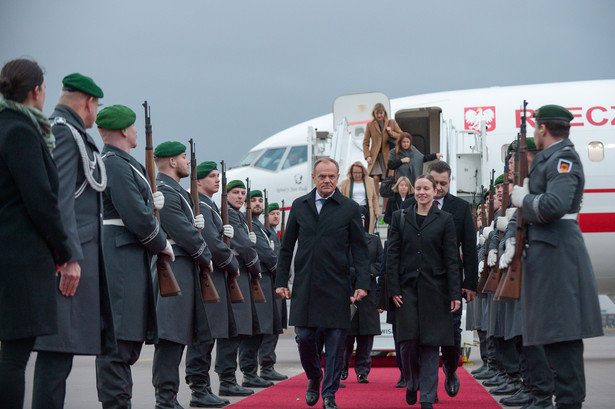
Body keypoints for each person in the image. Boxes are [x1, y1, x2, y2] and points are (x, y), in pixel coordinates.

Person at [32, 72, 116, 409]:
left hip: (76, 257)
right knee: (56, 355)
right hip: (69, 262)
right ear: (89, 102)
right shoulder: (65, 134)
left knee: (61, 356)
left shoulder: (66, 131)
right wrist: (68, 257)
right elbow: (60, 199)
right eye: (96, 107)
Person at [511, 105, 603, 409]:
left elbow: (554, 205)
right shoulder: (552, 158)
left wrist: (523, 198)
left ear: (541, 129)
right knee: (553, 341)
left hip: (557, 257)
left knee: (563, 344)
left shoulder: (562, 158)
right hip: (549, 257)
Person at [0, 58, 72, 409]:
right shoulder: (20, 130)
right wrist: (63, 249)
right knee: (14, 357)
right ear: (37, 91)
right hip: (19, 255)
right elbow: (40, 200)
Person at [95, 105, 175, 409]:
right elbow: (134, 215)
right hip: (121, 254)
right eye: (132, 127)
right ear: (123, 131)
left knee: (128, 336)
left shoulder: (124, 163)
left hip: (129, 253)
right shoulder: (114, 163)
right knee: (119, 337)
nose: (136, 132)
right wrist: (160, 242)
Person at [275, 158, 370, 409]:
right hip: (305, 285)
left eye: (331, 176)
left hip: (337, 285)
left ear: (338, 178)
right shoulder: (300, 205)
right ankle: (314, 376)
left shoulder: (349, 207)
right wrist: (281, 280)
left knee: (336, 344)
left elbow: (360, 250)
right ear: (313, 178)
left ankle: (329, 394)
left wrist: (362, 283)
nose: (327, 181)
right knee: (304, 338)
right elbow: (286, 248)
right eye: (322, 176)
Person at [401, 160, 478, 397]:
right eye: (437, 182)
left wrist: (469, 284)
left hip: (448, 283)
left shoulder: (461, 208)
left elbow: (469, 248)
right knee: (421, 337)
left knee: (452, 335)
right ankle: (427, 386)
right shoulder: (410, 205)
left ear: (449, 182)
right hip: (416, 283)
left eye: (444, 183)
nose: (440, 187)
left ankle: (450, 369)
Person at [387, 174, 461, 409]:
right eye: (418, 188)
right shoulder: (400, 217)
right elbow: (392, 256)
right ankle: (411, 381)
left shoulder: (445, 219)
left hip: (435, 291)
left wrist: (454, 294)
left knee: (430, 345)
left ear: (434, 191)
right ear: (413, 191)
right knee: (407, 343)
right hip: (406, 291)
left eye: (426, 188)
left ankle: (427, 397)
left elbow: (451, 259)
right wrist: (393, 288)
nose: (422, 192)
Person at [153, 141, 213, 409]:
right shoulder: (163, 189)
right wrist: (206, 255)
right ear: (173, 162)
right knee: (171, 337)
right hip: (175, 267)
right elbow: (181, 231)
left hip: (186, 268)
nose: (188, 162)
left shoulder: (179, 192)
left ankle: (174, 395)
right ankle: (165, 399)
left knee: (186, 335)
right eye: (184, 158)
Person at [184, 161, 237, 408]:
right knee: (203, 337)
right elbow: (212, 244)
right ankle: (199, 390)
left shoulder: (210, 205)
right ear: (199, 181)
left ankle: (203, 388)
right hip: (208, 277)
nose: (217, 180)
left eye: (218, 176)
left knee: (209, 337)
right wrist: (232, 262)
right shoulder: (202, 206)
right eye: (212, 176)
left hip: (214, 277)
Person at [215, 180, 262, 397]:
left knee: (238, 331)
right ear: (226, 195)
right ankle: (226, 379)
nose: (240, 197)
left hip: (241, 275)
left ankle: (230, 378)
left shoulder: (239, 216)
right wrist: (255, 267)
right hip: (235, 274)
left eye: (243, 193)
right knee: (231, 333)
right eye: (235, 192)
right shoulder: (230, 215)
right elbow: (243, 245)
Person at [241, 190, 280, 388]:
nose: (257, 203)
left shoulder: (260, 226)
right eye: (252, 200)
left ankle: (255, 371)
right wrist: (278, 272)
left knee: (262, 327)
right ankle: (249, 372)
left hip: (265, 279)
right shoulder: (251, 224)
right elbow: (266, 253)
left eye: (259, 200)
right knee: (256, 328)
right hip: (259, 278)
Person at [341, 208, 382, 384]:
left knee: (366, 337)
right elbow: (339, 264)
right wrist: (357, 273)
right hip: (347, 294)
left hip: (368, 296)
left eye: (362, 219)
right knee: (345, 338)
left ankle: (363, 371)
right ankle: (341, 369)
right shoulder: (342, 241)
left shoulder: (374, 241)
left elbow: (380, 264)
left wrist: (364, 273)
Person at [259, 202, 289, 381]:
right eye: (272, 213)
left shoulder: (275, 235)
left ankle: (268, 365)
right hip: (270, 283)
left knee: (275, 326)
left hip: (277, 282)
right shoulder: (265, 233)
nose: (276, 216)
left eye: (278, 213)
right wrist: (282, 275)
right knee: (269, 326)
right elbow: (270, 258)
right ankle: (265, 366)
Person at [362, 103, 402, 201]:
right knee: (375, 177)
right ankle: (375, 199)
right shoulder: (370, 125)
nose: (379, 115)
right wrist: (367, 156)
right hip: (375, 156)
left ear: (384, 113)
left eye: (381, 113)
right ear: (374, 114)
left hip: (387, 156)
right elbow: (365, 142)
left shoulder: (391, 123)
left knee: (386, 180)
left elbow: (401, 135)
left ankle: (384, 206)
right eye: (377, 113)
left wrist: (391, 132)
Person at [339, 161, 379, 233]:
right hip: (352, 209)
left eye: (359, 173)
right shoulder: (345, 183)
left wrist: (377, 211)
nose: (357, 175)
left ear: (363, 172)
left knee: (366, 230)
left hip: (366, 209)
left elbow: (374, 197)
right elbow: (341, 197)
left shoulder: (370, 181)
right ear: (351, 173)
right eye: (355, 173)